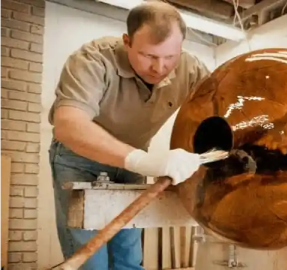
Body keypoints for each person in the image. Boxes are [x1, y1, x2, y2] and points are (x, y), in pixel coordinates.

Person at [48, 1, 210, 269]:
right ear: (127, 41)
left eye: (170, 57)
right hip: (79, 160)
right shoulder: (93, 59)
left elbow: (223, 105)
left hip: (133, 162)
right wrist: (143, 161)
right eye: (149, 56)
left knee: (129, 259)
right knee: (91, 261)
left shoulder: (190, 68)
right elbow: (68, 125)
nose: (160, 67)